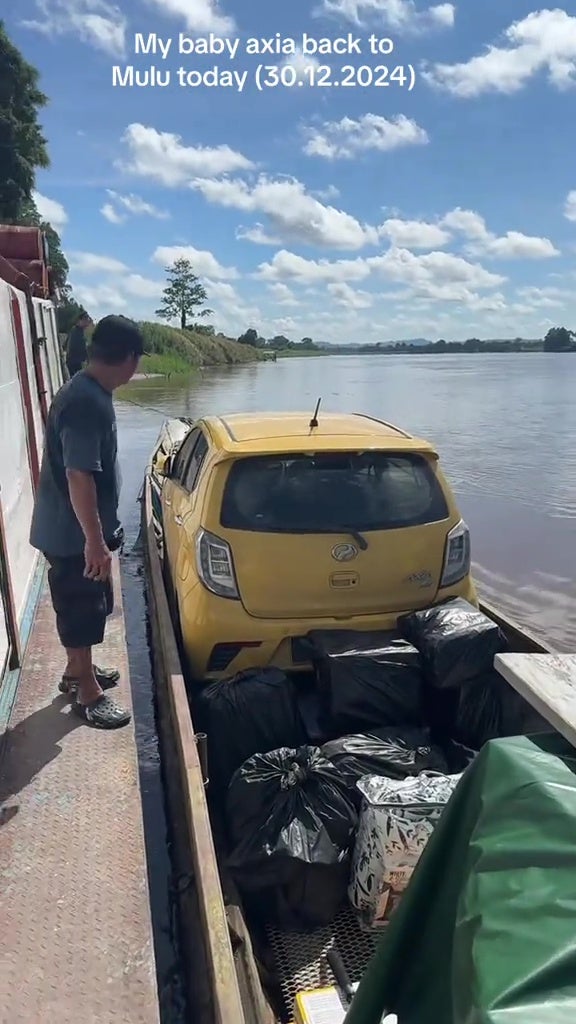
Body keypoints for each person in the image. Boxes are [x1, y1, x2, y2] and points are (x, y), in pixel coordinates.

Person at [30, 314, 144, 728]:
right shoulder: (85, 402)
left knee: (83, 604)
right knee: (82, 607)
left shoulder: (86, 390)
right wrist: (94, 543)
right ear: (129, 358)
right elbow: (80, 475)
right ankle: (87, 694)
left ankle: (77, 671)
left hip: (69, 529)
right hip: (72, 534)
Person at [64, 309, 92, 377]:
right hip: (75, 362)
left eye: (88, 320)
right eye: (85, 320)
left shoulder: (78, 331)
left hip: (76, 362)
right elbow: (78, 348)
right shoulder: (76, 332)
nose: (87, 322)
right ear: (80, 321)